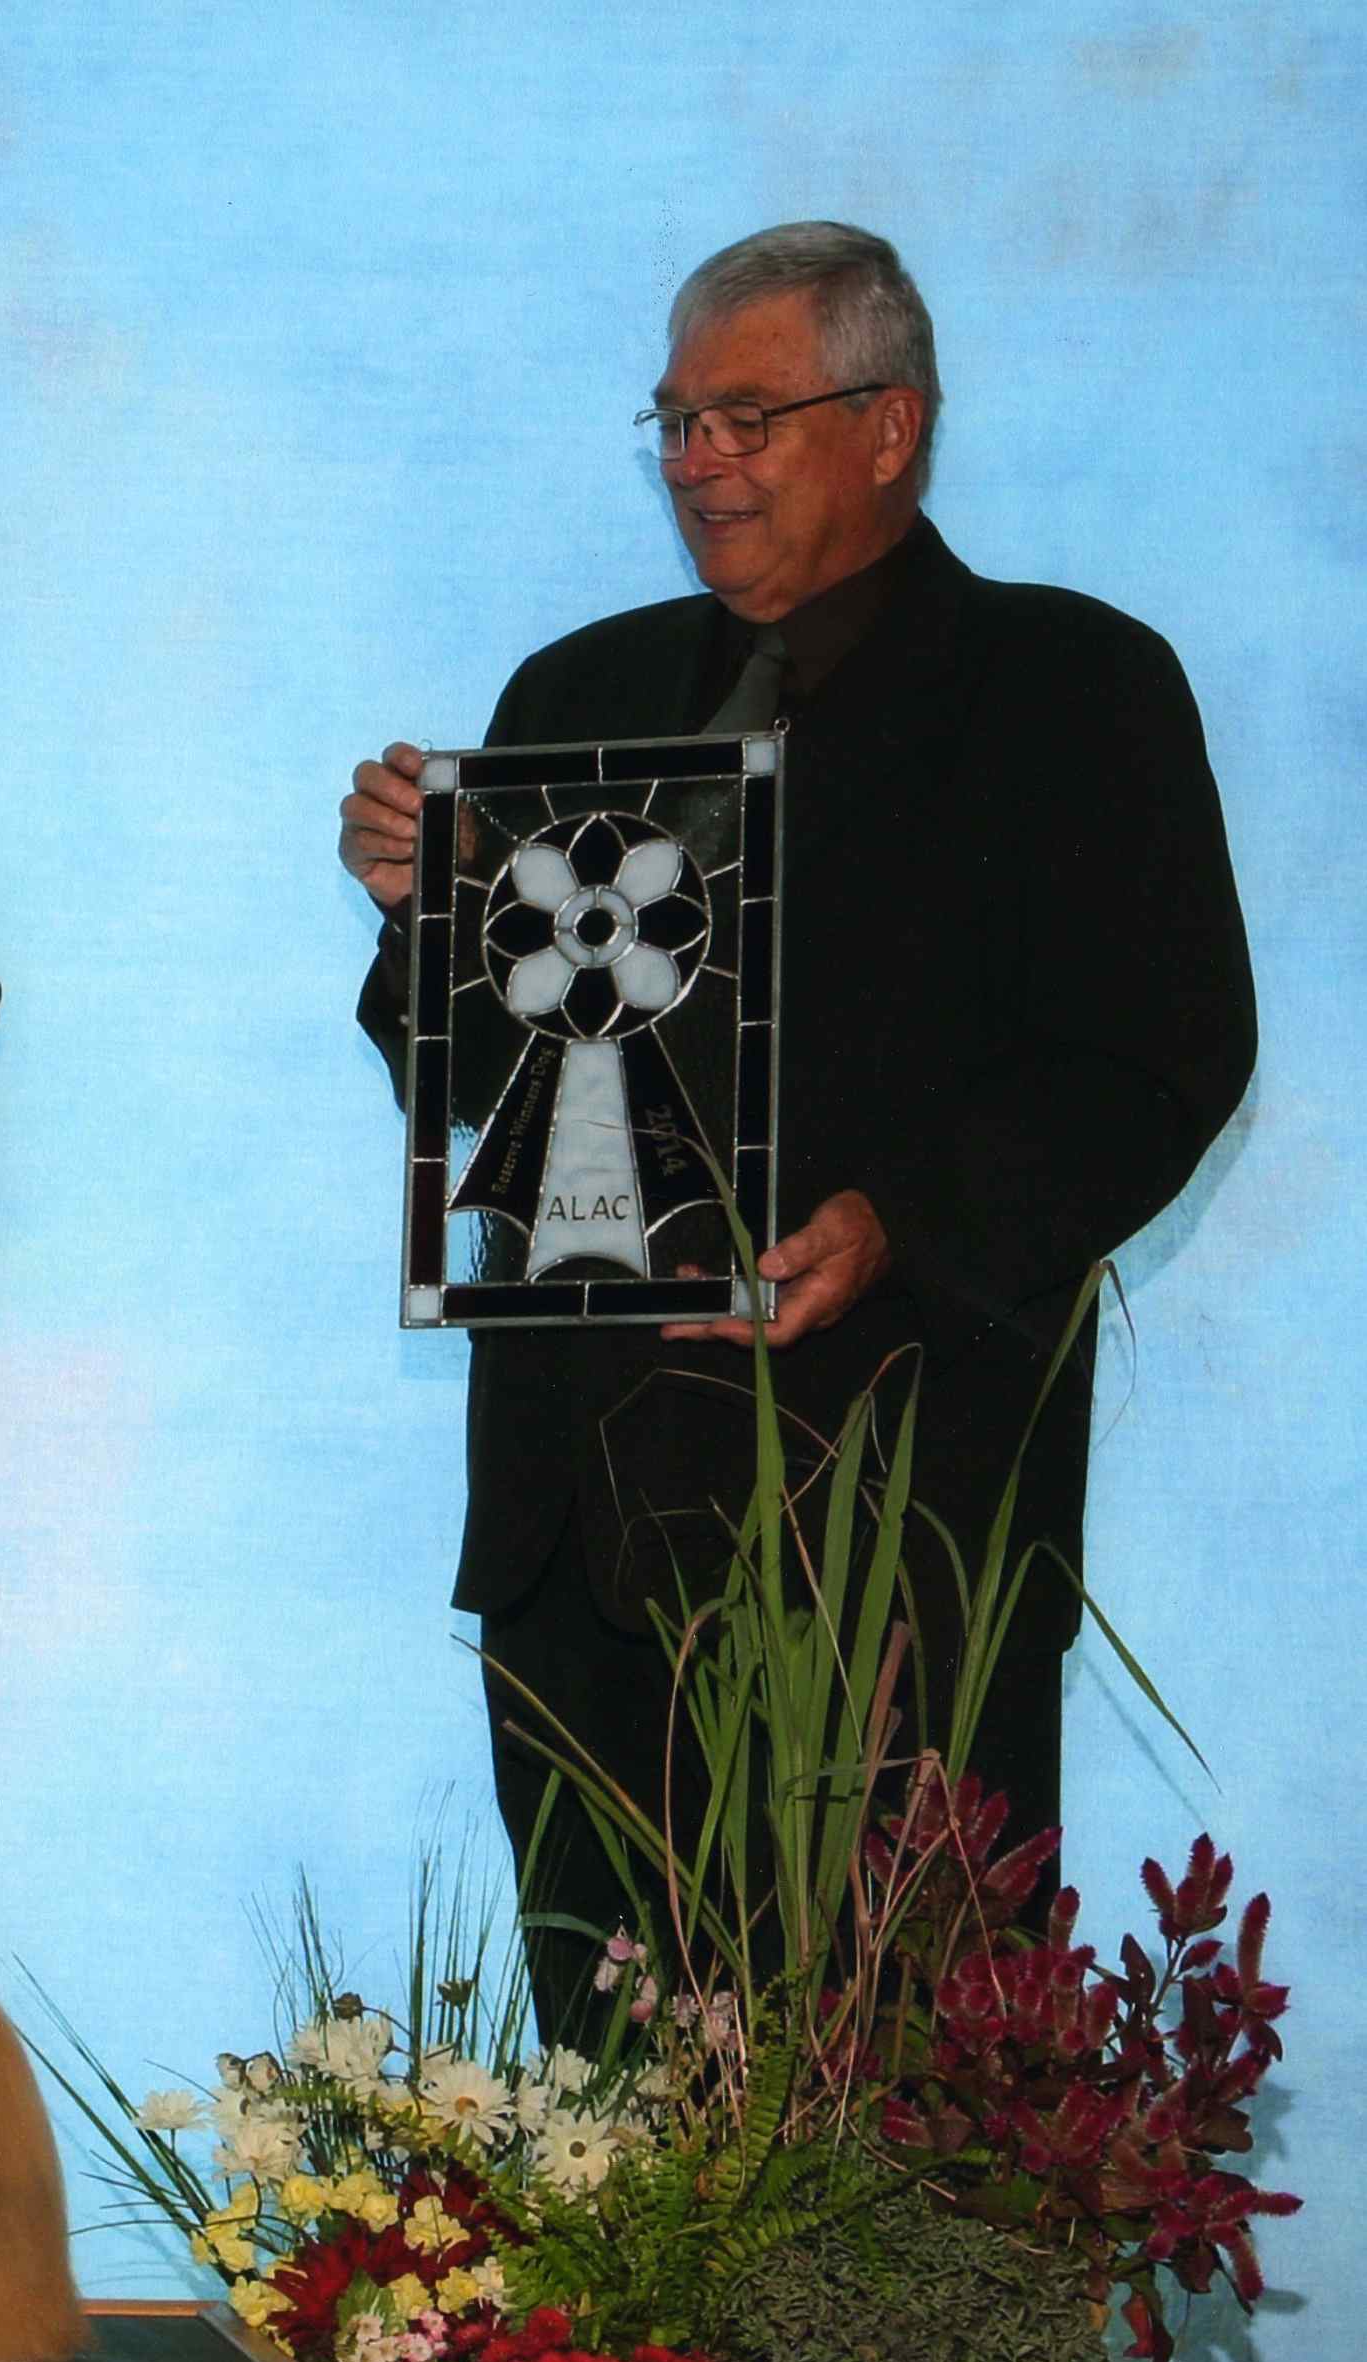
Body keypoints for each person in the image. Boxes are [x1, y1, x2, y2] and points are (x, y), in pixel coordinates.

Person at [338, 222, 1252, 2029]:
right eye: (675, 421)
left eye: (747, 417)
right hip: (573, 1555)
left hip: (892, 1546)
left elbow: (1162, 1052)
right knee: (604, 2128)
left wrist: (900, 1220)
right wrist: (428, 913)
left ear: (891, 423)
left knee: (892, 2118)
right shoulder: (572, 696)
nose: (699, 462)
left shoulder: (1074, 687)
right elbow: (479, 1095)